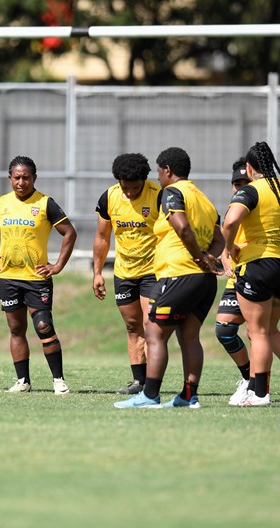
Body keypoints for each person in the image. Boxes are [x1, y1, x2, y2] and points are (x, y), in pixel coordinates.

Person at [114, 147, 223, 409]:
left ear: (168, 171)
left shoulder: (171, 193)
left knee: (154, 333)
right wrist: (209, 258)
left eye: (159, 172)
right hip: (203, 280)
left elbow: (182, 227)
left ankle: (149, 395)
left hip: (178, 273)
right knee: (189, 336)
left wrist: (198, 257)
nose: (158, 177)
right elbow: (220, 238)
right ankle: (188, 396)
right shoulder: (203, 198)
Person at [221, 141, 280, 407]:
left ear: (249, 168)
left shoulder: (252, 190)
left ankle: (259, 394)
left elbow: (230, 221)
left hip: (258, 265)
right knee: (270, 330)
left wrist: (229, 248)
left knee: (258, 332)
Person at [0, 156, 77, 394]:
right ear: (10, 178)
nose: (21, 182)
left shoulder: (45, 203)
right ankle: (23, 381)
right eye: (17, 177)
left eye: (26, 177)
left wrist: (57, 266)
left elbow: (70, 233)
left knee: (43, 326)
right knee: (15, 329)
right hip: (8, 278)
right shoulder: (1, 203)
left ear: (34, 178)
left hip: (36, 279)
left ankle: (58, 380)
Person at [93, 153, 161, 395]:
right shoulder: (109, 197)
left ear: (144, 180)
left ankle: (153, 383)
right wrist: (97, 272)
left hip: (154, 271)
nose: (130, 192)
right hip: (124, 272)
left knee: (150, 324)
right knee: (132, 326)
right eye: (125, 187)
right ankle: (138, 382)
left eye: (135, 188)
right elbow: (102, 237)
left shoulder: (159, 196)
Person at [216, 158, 254, 405]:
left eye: (244, 182)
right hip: (236, 275)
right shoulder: (233, 205)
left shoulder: (259, 200)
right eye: (236, 183)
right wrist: (225, 257)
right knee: (225, 330)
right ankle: (250, 379)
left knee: (258, 332)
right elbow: (226, 239)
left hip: (256, 271)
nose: (239, 187)